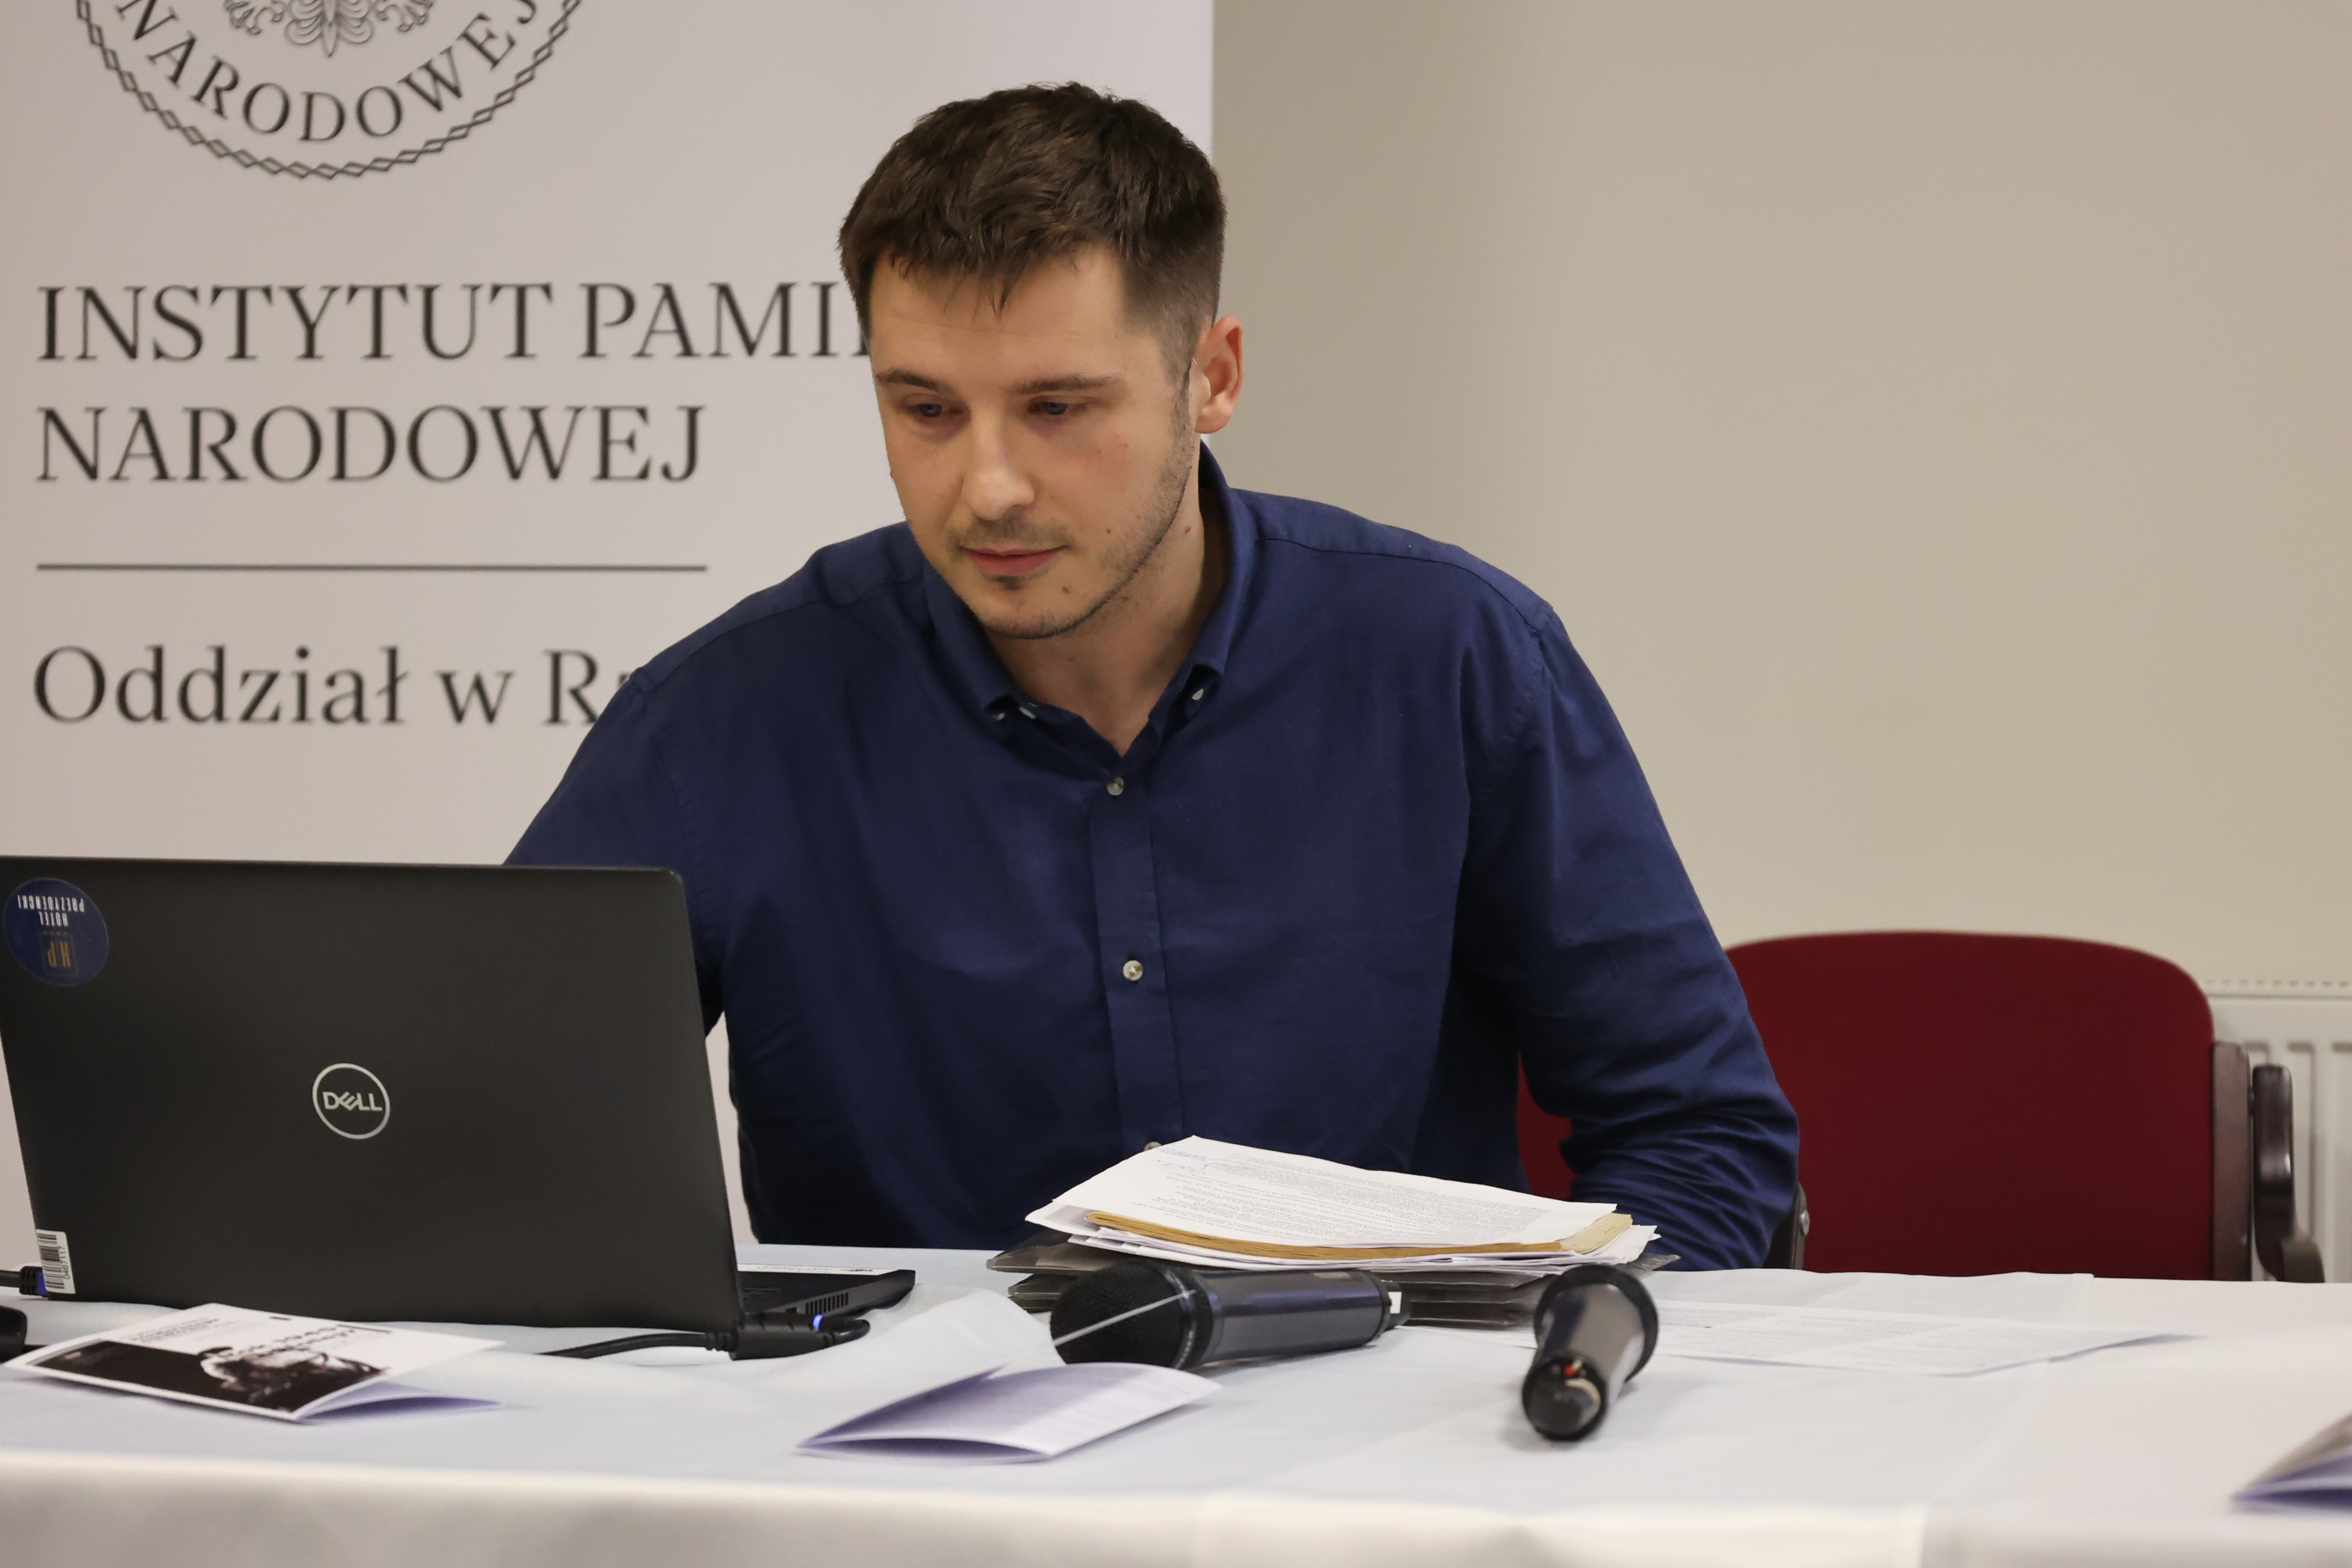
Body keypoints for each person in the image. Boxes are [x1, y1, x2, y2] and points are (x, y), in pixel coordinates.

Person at [511, 83, 1798, 1268]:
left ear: (1212, 377)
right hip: (901, 1437)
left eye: (1058, 408)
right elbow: (484, 1150)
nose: (988, 487)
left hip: (1390, 1418)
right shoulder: (722, 720)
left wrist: (1565, 1352)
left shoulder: (1454, 657)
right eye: (927, 410)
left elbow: (1700, 1136)